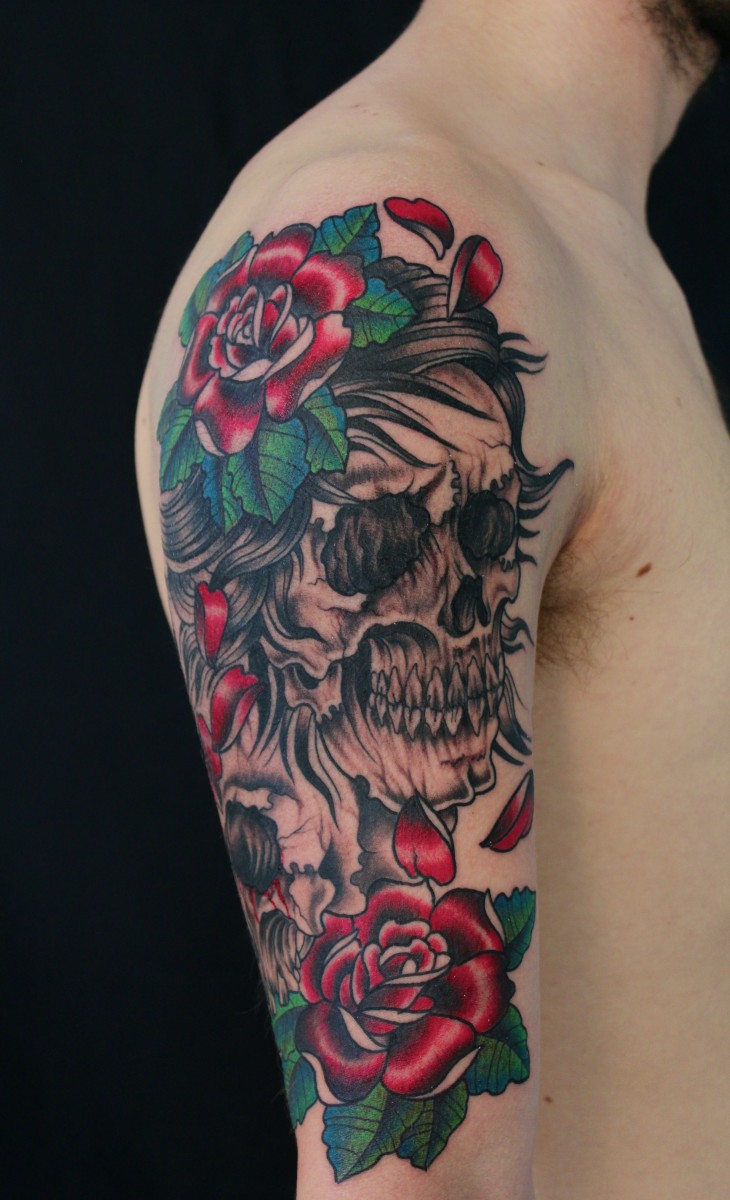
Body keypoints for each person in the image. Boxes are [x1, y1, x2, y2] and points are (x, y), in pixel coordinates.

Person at [135, 2, 730, 1195]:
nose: (460, 605)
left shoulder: (587, 247)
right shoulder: (399, 219)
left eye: (479, 530)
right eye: (390, 541)